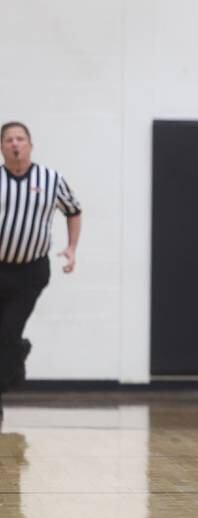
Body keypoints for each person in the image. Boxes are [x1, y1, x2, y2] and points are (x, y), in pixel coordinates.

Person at [0, 122, 82, 417]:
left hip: (29, 273)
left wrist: (71, 248)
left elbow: (73, 210)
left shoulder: (50, 179)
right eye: (9, 139)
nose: (15, 144)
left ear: (30, 145)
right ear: (2, 147)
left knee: (8, 332)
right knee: (3, 337)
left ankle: (18, 350)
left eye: (20, 138)